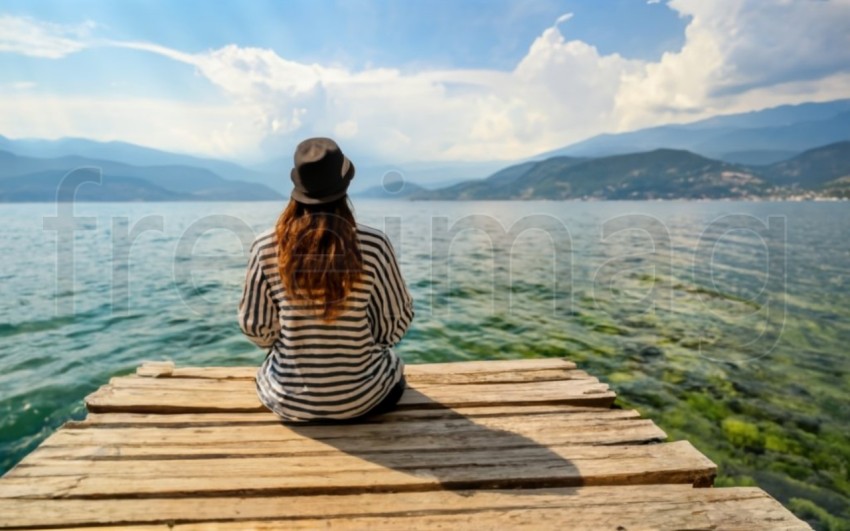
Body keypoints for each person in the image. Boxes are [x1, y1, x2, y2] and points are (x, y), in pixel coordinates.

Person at [238, 137, 413, 422]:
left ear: (298, 187)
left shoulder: (265, 247)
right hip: (365, 398)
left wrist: (289, 343)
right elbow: (395, 324)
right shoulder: (374, 245)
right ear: (344, 186)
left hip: (290, 401)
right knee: (393, 367)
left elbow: (256, 329)